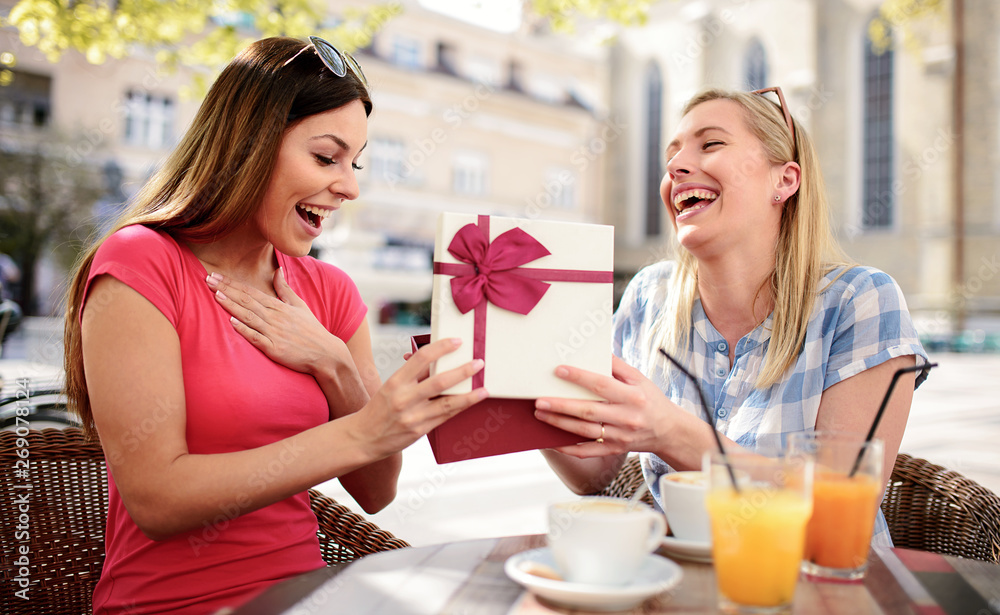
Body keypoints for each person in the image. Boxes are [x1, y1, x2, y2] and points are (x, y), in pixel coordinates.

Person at [62, 36, 487, 614]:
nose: (349, 186)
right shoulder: (141, 263)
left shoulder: (329, 290)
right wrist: (363, 430)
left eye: (355, 163)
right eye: (325, 157)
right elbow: (156, 500)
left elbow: (376, 491)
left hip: (307, 598)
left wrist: (332, 362)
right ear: (249, 145)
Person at [535, 87, 930, 548]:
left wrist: (671, 433)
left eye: (711, 144)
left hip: (821, 588)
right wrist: (526, 400)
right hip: (680, 584)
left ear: (784, 181)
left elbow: (840, 505)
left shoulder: (859, 301)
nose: (676, 166)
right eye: (673, 153)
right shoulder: (649, 295)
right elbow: (595, 476)